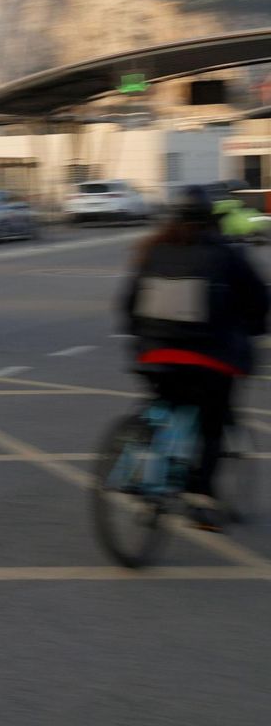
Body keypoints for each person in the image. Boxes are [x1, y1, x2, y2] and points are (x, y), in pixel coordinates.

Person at [120, 183, 269, 530]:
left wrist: (141, 341)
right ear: (210, 219)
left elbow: (128, 304)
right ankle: (199, 496)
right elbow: (259, 299)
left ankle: (142, 471)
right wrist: (255, 328)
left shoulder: (152, 251)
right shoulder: (227, 254)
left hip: (155, 354)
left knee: (163, 401)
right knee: (213, 423)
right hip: (210, 359)